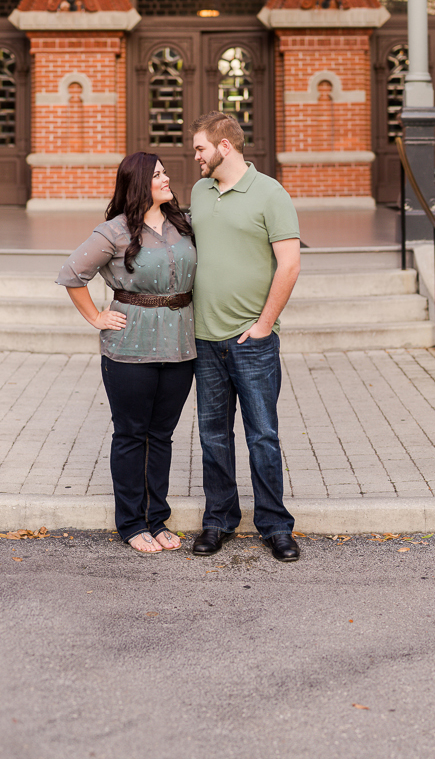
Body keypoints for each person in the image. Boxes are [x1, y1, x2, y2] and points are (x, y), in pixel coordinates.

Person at [57, 151, 196, 555]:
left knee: (163, 436)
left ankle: (158, 518)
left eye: (165, 172)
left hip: (180, 346)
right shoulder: (114, 232)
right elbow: (72, 274)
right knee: (132, 435)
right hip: (130, 348)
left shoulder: (182, 223)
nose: (167, 178)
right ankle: (132, 523)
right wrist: (96, 317)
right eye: (158, 175)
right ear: (139, 185)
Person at [187, 112, 302, 562]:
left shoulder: (270, 194)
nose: (194, 156)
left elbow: (289, 264)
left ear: (225, 147)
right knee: (213, 436)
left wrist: (264, 326)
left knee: (262, 436)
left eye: (200, 148)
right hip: (204, 340)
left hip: (251, 341)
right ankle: (218, 521)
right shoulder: (199, 190)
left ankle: (275, 526)